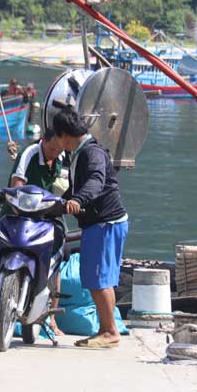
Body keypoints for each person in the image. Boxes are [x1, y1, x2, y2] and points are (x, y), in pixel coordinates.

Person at [0, 128, 69, 332]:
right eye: (52, 148)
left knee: (55, 261)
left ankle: (51, 320)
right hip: (17, 214)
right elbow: (16, 184)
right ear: (43, 140)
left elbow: (65, 186)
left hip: (46, 216)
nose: (55, 153)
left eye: (58, 149)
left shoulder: (64, 157)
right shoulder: (29, 154)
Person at [52, 107, 128, 349]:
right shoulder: (80, 153)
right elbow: (74, 188)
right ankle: (106, 328)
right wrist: (53, 203)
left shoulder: (91, 153)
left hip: (105, 223)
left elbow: (95, 181)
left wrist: (78, 201)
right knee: (101, 278)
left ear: (65, 135)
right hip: (104, 223)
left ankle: (110, 331)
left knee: (98, 279)